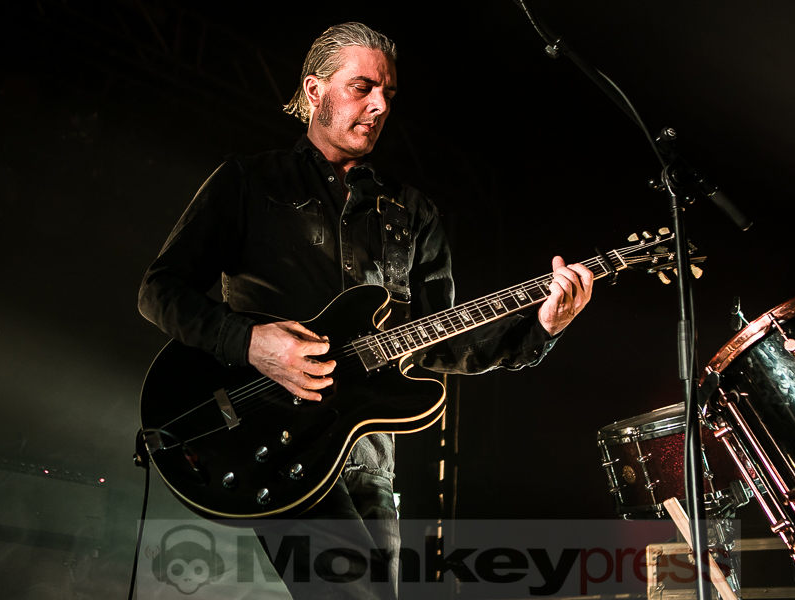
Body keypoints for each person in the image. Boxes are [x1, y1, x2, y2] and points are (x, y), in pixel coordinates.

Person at [138, 22, 592, 599]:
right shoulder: (249, 182)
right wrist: (251, 343)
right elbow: (160, 290)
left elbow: (442, 340)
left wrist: (541, 327)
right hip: (272, 434)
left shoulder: (411, 212)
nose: (379, 106)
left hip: (368, 451)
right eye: (362, 87)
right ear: (314, 90)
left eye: (389, 95)